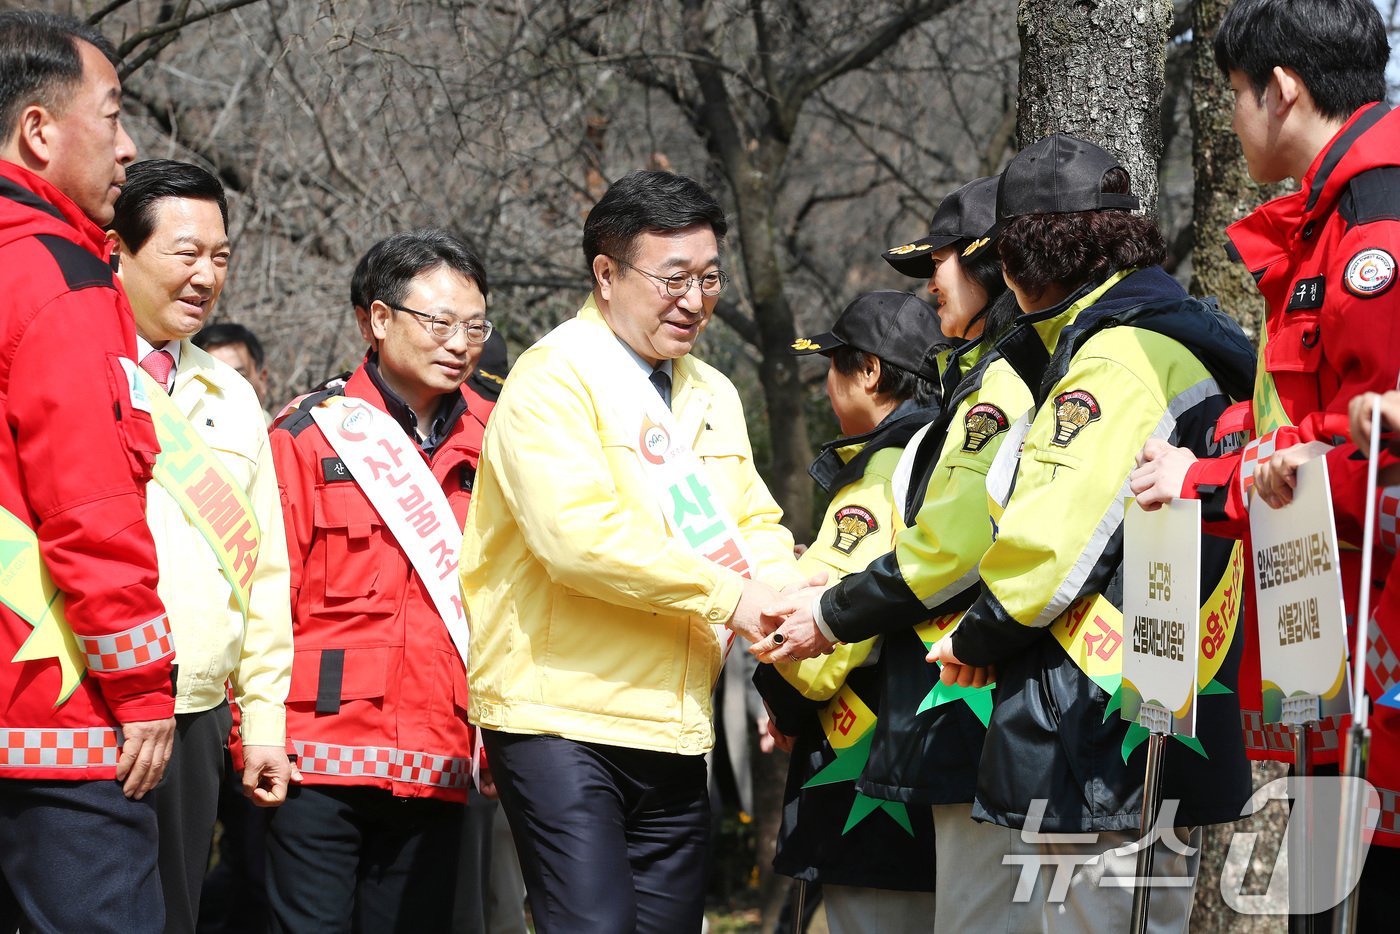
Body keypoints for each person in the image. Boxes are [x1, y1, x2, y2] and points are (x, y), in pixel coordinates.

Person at [461, 169, 807, 934]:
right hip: (561, 718)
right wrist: (732, 598)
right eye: (673, 277)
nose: (695, 299)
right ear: (607, 274)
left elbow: (753, 518)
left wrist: (779, 595)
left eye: (710, 278)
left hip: (675, 721)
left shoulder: (711, 391)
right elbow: (577, 540)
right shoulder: (552, 379)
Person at [928, 135, 1254, 933]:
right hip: (1154, 697)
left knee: (1100, 915)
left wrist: (975, 638)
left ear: (1016, 262)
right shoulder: (1172, 331)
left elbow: (1050, 545)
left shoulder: (1115, 359)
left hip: (1100, 724)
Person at [1128, 2, 1400, 919]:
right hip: (1336, 661)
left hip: (1381, 674)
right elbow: (1309, 411)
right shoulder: (1328, 223)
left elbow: (1378, 461)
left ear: (1280, 90)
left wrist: (1206, 482)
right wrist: (1207, 447)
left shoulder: (1378, 225)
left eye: (1236, 95)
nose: (1238, 118)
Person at [756, 175, 1042, 933]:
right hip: (940, 740)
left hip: (926, 743)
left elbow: (944, 547)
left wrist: (789, 665)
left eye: (940, 263)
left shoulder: (991, 392)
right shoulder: (967, 396)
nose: (930, 288)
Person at [0, 12, 176, 934]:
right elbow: (89, 502)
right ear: (38, 130)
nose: (130, 146)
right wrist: (143, 683)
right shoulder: (55, 278)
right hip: (48, 706)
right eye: (112, 117)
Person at [266, 228, 496, 933]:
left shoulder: (500, 440)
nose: (459, 342)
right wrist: (257, 732)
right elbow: (266, 594)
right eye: (439, 323)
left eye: (475, 326)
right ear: (377, 319)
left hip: (443, 754)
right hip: (314, 757)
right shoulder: (308, 435)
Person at [107, 159, 296, 934]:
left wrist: (266, 723)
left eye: (220, 256)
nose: (207, 275)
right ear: (120, 248)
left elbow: (266, 573)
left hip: (195, 710)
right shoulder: (70, 362)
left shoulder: (231, 396)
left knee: (175, 914)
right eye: (187, 253)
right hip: (83, 694)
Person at [754, 289, 943, 933]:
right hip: (930, 754)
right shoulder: (941, 455)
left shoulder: (877, 476)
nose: (827, 386)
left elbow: (824, 650)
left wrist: (782, 704)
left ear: (868, 370)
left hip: (861, 758)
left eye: (835, 367)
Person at [194, 322, 271, 413]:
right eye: (212, 381)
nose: (225, 391)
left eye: (239, 377)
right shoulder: (177, 425)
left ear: (262, 381)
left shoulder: (283, 426)